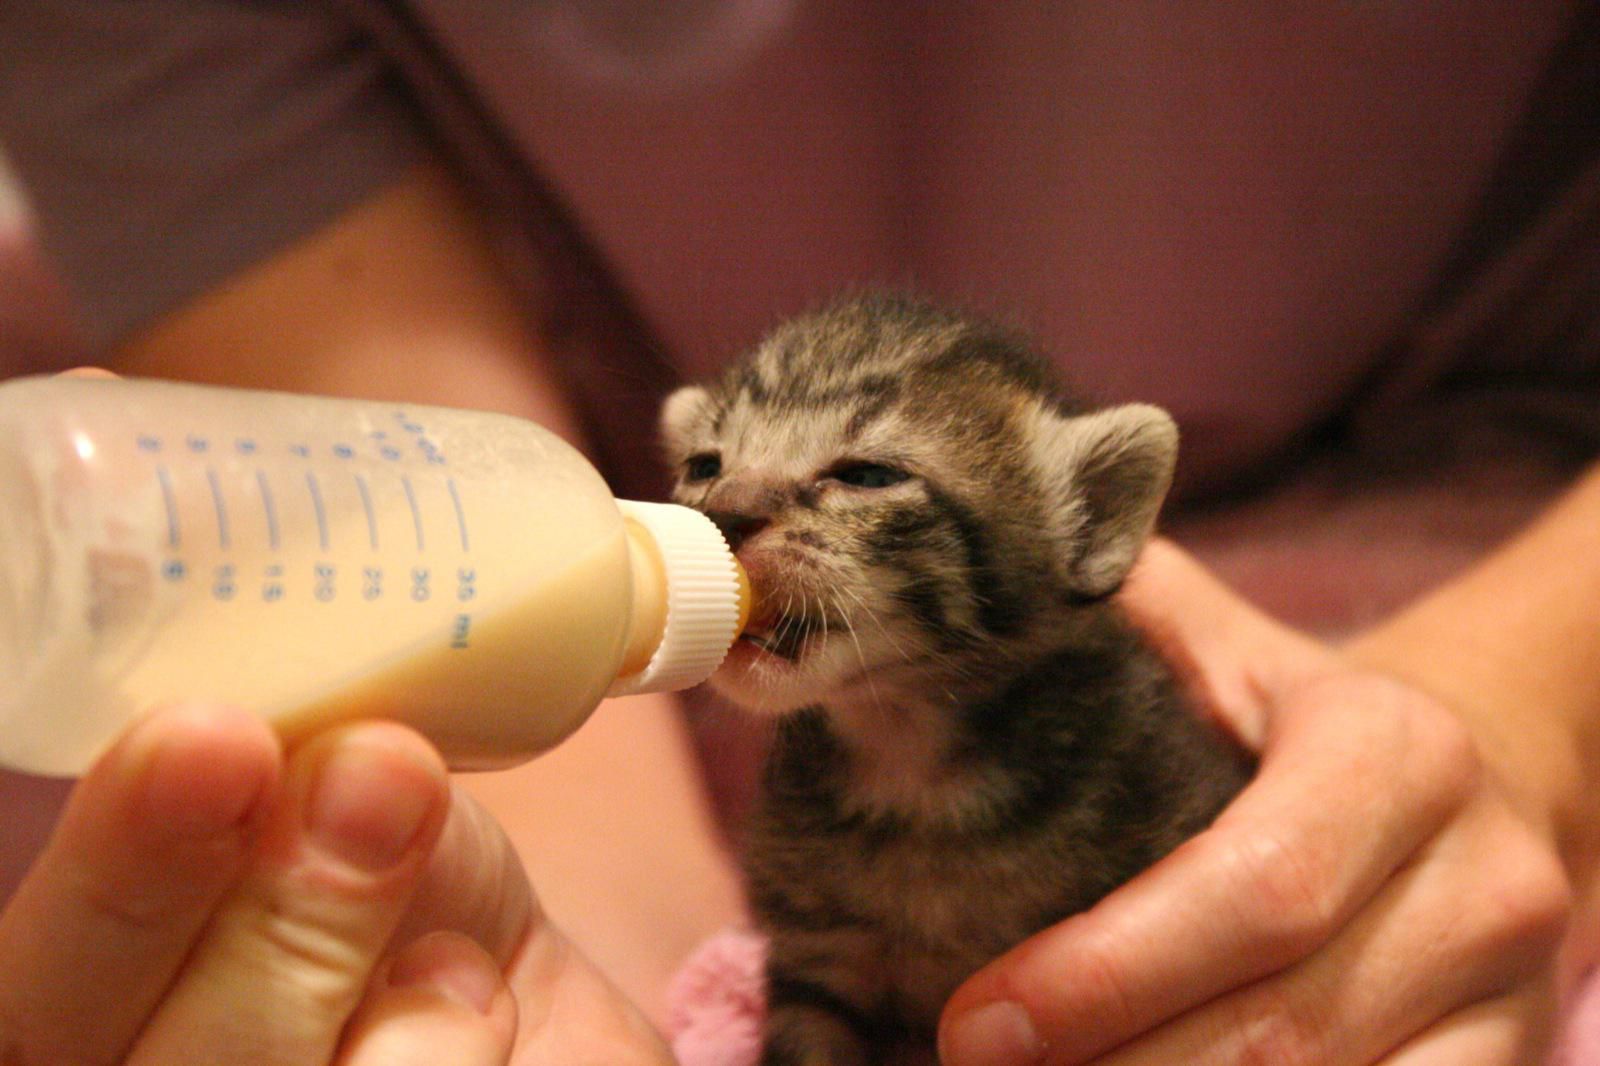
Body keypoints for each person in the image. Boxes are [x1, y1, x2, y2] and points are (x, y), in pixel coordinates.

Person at [0, 3, 1596, 1063]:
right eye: (713, 466)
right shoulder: (805, 780)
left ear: (1086, 525)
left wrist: (1528, 715)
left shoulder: (1119, 758)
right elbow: (453, 553)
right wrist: (562, 969)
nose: (741, 511)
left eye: (860, 483)